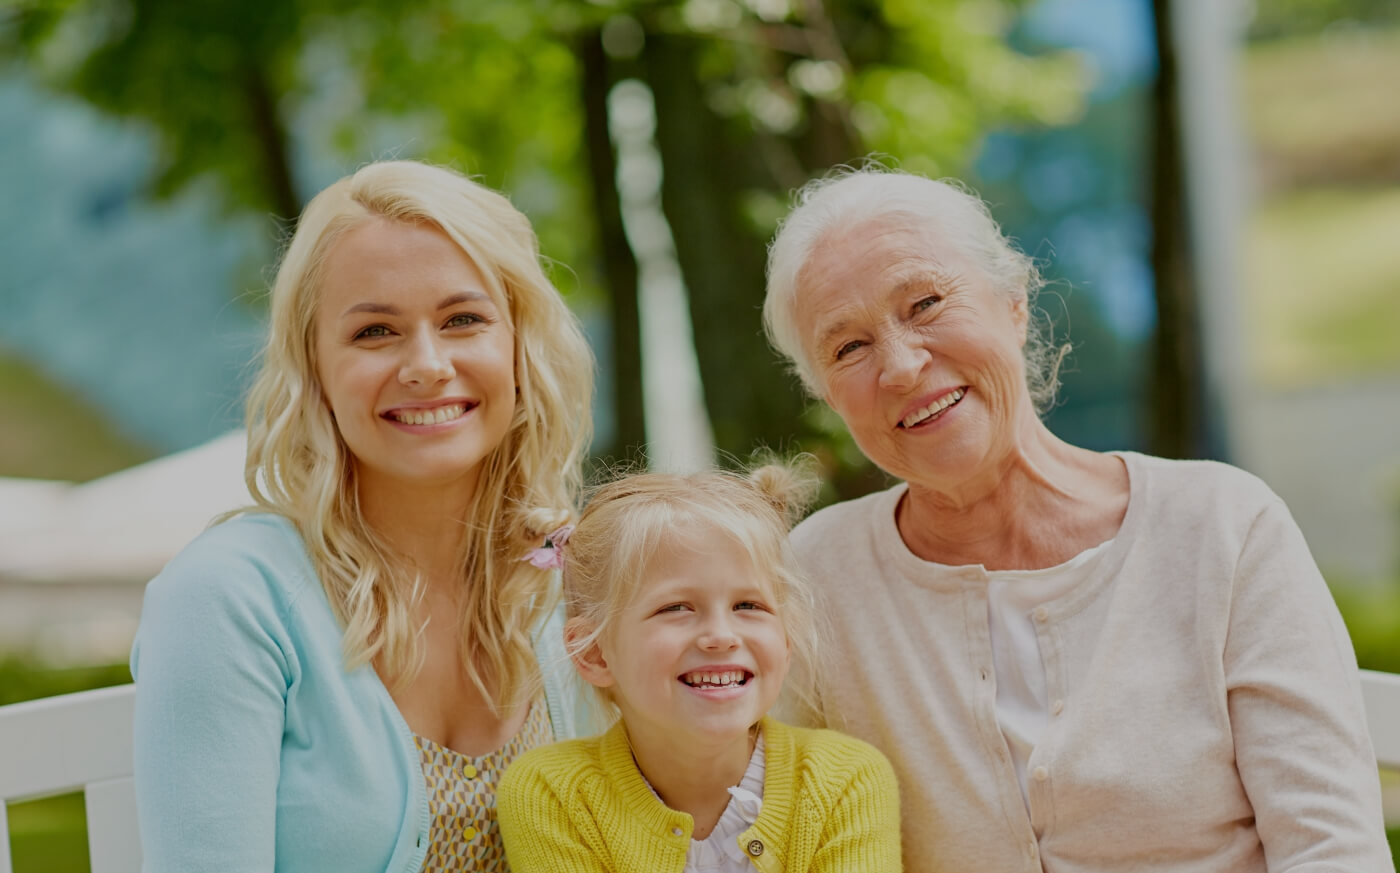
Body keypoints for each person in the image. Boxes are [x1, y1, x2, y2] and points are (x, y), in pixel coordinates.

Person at [762, 167, 1393, 872]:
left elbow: (1332, 850)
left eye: (926, 303)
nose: (902, 366)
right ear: (824, 393)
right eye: (849, 347)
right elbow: (761, 828)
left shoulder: (1223, 526)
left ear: (1013, 303)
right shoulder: (817, 574)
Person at [130, 160, 603, 873]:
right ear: (313, 367)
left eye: (463, 319)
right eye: (376, 331)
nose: (426, 364)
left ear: (519, 346)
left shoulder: (575, 578)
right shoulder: (227, 598)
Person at [496, 463, 903, 872]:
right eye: (676, 608)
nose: (721, 636)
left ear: (785, 639)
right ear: (595, 654)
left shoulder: (845, 781)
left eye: (749, 606)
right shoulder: (551, 793)